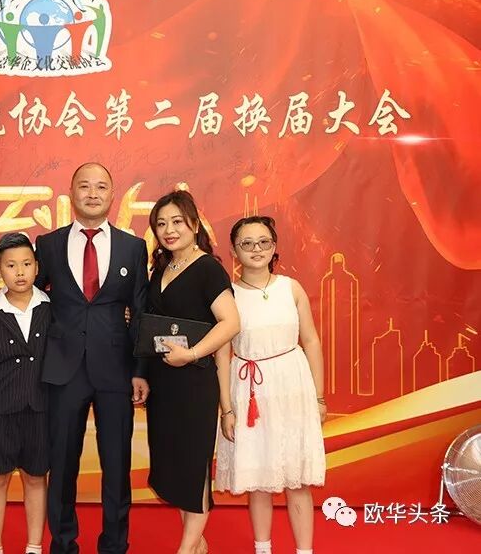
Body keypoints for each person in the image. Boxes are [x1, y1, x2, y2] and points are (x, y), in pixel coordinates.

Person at [34, 162, 150, 554]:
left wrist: (140, 370)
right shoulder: (47, 245)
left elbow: (140, 313)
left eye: (101, 187)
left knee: (116, 465)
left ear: (112, 195)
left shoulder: (133, 247)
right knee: (62, 463)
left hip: (115, 370)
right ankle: (63, 543)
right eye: (84, 186)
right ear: (71, 192)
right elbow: (32, 300)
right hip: (62, 369)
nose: (93, 194)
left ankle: (114, 545)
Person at [215, 216, 326, 554]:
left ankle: (304, 551)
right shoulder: (228, 295)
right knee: (258, 480)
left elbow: (311, 341)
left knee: (297, 478)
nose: (256, 249)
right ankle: (262, 549)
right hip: (249, 391)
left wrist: (319, 398)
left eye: (264, 242)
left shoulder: (291, 288)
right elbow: (222, 354)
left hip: (293, 388)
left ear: (274, 246)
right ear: (234, 251)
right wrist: (227, 409)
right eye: (247, 243)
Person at [144, 190, 240, 554]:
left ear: (195, 225)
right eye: (161, 224)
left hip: (195, 383)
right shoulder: (161, 268)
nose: (169, 230)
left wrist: (193, 354)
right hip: (163, 385)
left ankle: (185, 549)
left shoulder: (208, 269)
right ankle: (197, 544)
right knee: (173, 469)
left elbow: (230, 323)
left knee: (194, 466)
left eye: (177, 222)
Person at [0, 233, 50, 554]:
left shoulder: (52, 307)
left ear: (37, 267)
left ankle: (34, 546)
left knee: (36, 478)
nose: (19, 272)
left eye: (26, 264)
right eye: (10, 265)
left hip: (41, 407)